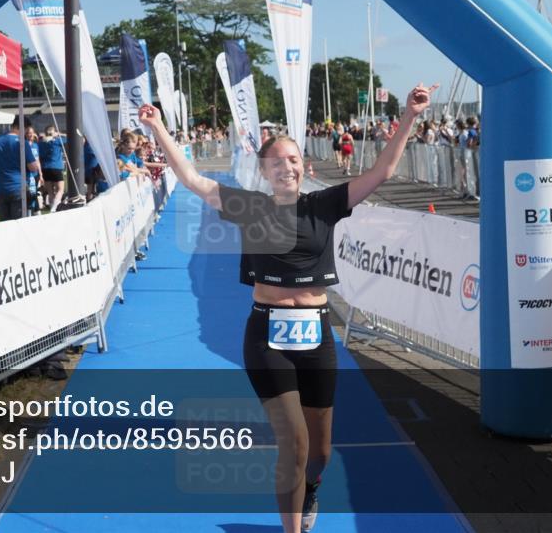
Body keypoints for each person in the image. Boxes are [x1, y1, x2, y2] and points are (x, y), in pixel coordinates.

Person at [138, 83, 438, 533]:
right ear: (264, 171)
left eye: (293, 160)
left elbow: (382, 170)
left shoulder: (325, 205)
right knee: (293, 444)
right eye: (277, 161)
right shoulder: (249, 206)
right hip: (266, 337)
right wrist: (158, 126)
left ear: (305, 166)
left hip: (316, 335)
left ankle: (311, 487)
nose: (286, 167)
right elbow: (192, 179)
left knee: (318, 453)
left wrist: (410, 116)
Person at [0, 115, 40, 221]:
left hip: (0, 188)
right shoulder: (22, 142)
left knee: (5, 225)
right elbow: (33, 167)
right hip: (18, 188)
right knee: (19, 224)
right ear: (22, 127)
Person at [37, 126, 67, 212]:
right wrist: (59, 134)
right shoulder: (57, 141)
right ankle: (54, 207)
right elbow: (69, 137)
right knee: (60, 190)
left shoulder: (41, 142)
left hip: (45, 168)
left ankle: (52, 207)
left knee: (50, 192)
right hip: (56, 167)